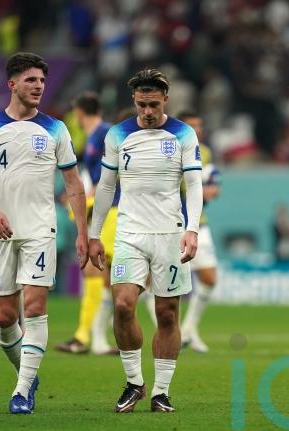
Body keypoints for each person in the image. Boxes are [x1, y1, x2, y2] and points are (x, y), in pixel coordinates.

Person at [0, 52, 88, 414]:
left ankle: (21, 393)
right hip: (0, 232)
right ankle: (27, 374)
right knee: (5, 318)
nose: (39, 86)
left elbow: (73, 184)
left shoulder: (55, 129)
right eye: (31, 80)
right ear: (12, 84)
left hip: (40, 230)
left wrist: (82, 232)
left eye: (42, 81)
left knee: (33, 307)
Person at [88, 68, 203, 413]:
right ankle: (134, 382)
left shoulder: (183, 134)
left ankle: (161, 392)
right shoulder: (118, 134)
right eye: (142, 105)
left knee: (167, 314)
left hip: (169, 235)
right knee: (123, 305)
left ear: (165, 99)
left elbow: (193, 184)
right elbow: (106, 186)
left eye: (154, 104)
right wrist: (94, 234)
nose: (148, 111)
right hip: (129, 234)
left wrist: (192, 229)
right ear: (134, 101)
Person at [55, 92, 118, 355]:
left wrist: (92, 195)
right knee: (104, 277)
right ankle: (98, 339)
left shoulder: (105, 133)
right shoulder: (94, 136)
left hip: (112, 210)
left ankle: (84, 336)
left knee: (96, 271)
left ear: (78, 112)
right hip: (106, 209)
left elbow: (114, 170)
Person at [176, 110, 221, 353]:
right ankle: (174, 332)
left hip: (198, 223)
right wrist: (204, 190)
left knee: (209, 278)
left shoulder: (205, 152)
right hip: (173, 225)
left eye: (199, 125)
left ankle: (188, 330)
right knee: (160, 283)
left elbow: (211, 181)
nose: (197, 130)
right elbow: (185, 186)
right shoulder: (171, 149)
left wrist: (211, 187)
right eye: (191, 126)